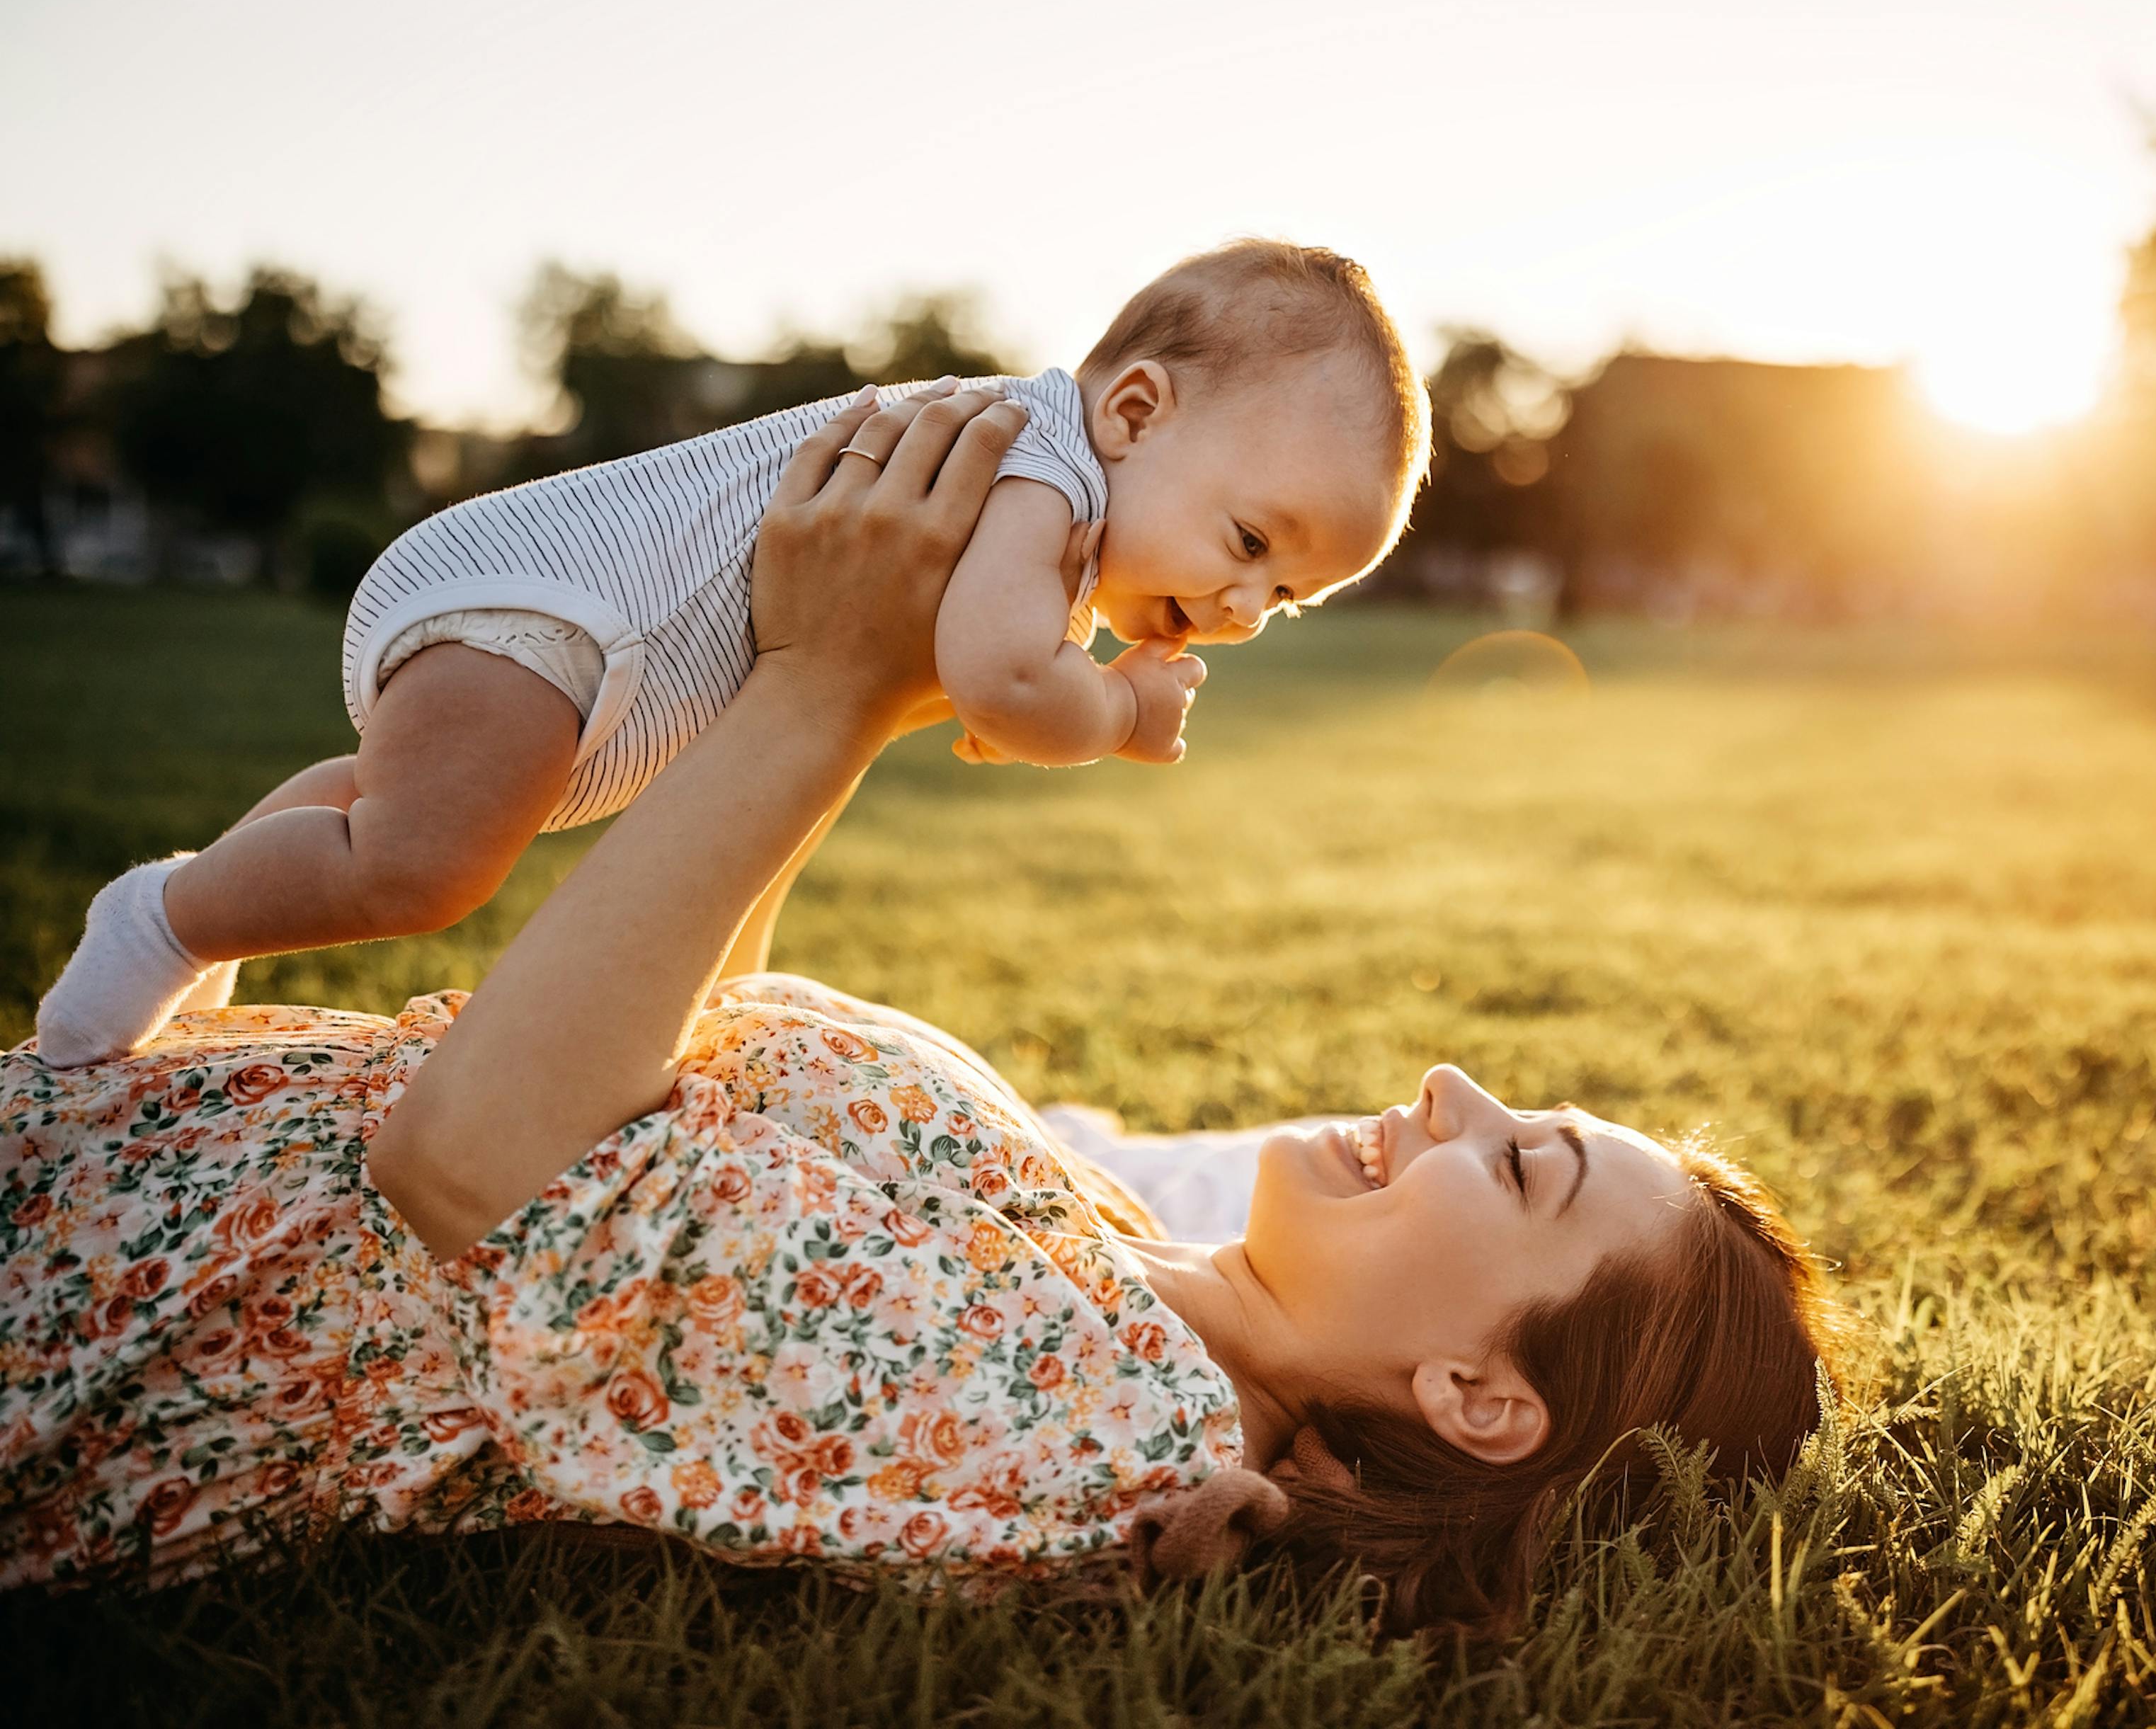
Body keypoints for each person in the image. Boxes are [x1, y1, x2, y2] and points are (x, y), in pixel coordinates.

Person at [2, 389, 1847, 1638]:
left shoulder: (1109, 1425)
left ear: (1475, 1399)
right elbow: (690, 1066)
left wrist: (820, 688)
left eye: (1521, 1168)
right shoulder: (1123, 1263)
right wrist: (846, 693)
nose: (1450, 1084)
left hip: (70, 1314)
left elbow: (479, 1171)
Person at [35, 241, 1431, 1068]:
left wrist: (1054, 681)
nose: (1248, 604)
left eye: (1290, 595)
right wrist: (1117, 706)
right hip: (562, 608)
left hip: (554, 631)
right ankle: (163, 916)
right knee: (427, 864)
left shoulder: (1047, 501)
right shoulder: (1042, 470)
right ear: (1134, 408)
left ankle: (218, 903)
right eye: (1252, 538)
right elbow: (1005, 680)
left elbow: (973, 678)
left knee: (386, 807)